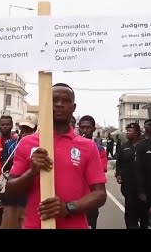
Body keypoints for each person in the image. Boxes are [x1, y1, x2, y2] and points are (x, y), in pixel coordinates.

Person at [6, 83, 107, 229]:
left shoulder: (88, 146)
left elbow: (100, 194)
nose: (59, 104)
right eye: (54, 100)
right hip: (35, 225)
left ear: (74, 107)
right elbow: (10, 191)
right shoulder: (27, 143)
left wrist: (68, 208)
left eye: (65, 101)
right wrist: (31, 172)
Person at [0, 113, 38, 229]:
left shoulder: (39, 145)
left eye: (29, 129)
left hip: (30, 197)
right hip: (12, 197)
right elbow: (4, 167)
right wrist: (20, 148)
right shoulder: (9, 144)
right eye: (23, 128)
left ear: (35, 129)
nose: (25, 131)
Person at [78, 115, 108, 230]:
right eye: (82, 127)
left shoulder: (99, 149)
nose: (85, 130)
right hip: (73, 196)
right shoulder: (71, 145)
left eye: (88, 127)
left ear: (94, 129)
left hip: (91, 197)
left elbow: (101, 169)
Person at [115, 122, 146, 229]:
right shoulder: (124, 146)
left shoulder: (144, 145)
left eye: (130, 131)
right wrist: (118, 174)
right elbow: (118, 162)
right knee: (130, 208)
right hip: (128, 183)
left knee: (143, 210)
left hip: (143, 184)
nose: (127, 133)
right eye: (127, 131)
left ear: (137, 133)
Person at [0, 115, 15, 229]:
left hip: (14, 181)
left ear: (12, 126)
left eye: (7, 124)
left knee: (13, 214)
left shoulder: (16, 142)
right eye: (2, 124)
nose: (5, 127)